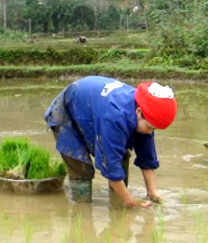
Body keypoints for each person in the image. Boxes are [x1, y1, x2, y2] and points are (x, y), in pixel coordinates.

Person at [44, 76, 177, 207]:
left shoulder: (144, 111)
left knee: (122, 156)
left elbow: (147, 155)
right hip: (67, 111)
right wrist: (130, 201)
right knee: (81, 168)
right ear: (138, 111)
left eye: (154, 129)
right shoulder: (114, 117)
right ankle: (82, 210)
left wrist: (152, 191)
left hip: (95, 107)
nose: (150, 132)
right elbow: (110, 166)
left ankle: (116, 201)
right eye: (149, 127)